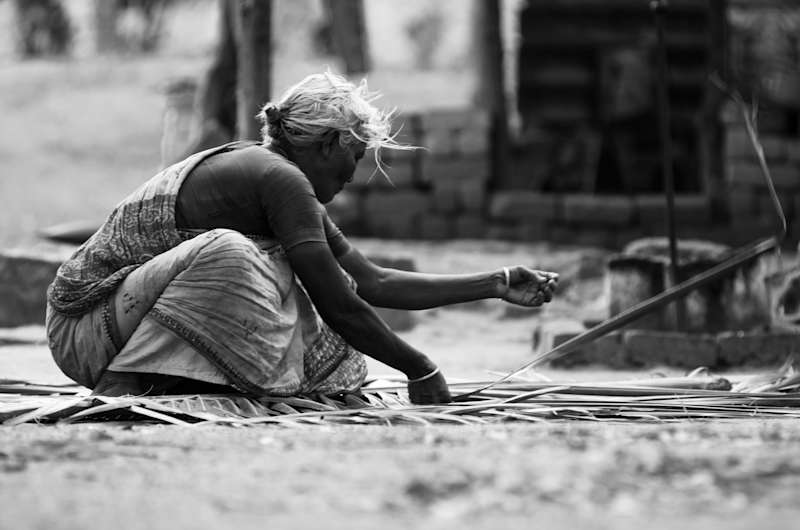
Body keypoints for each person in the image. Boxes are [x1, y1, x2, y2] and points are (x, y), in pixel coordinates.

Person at [45, 72, 558, 405]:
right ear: (331, 142)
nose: (353, 176)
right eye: (353, 158)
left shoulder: (284, 185)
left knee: (286, 277)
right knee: (238, 256)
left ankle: (170, 382)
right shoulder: (279, 178)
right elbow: (340, 304)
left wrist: (497, 281)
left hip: (114, 326)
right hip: (85, 329)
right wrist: (420, 369)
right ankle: (127, 385)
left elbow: (371, 283)